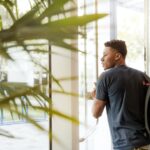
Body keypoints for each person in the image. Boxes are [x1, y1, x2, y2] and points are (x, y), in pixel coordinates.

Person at [91, 39, 150, 150]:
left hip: (125, 144)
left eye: (105, 55)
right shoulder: (143, 76)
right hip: (145, 143)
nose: (101, 59)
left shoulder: (105, 77)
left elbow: (95, 113)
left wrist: (95, 98)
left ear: (117, 56)